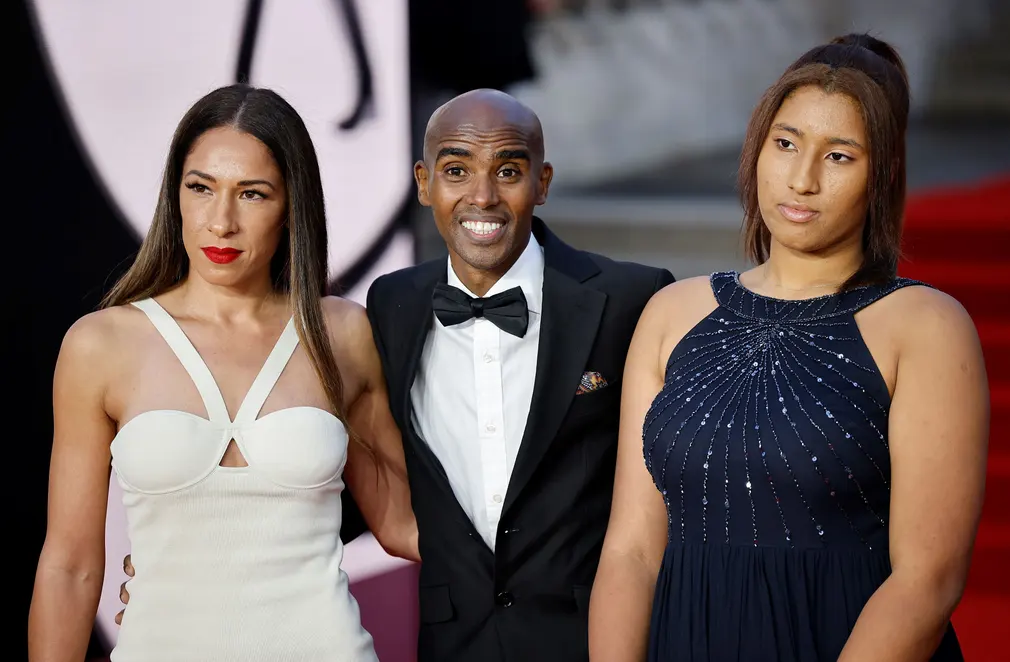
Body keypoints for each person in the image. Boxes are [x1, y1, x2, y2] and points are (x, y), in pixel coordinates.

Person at [589, 34, 989, 662]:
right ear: (756, 149)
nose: (802, 180)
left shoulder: (925, 326)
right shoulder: (672, 312)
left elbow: (927, 581)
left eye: (839, 156)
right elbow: (631, 552)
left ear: (881, 176)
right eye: (786, 144)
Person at [28, 84, 418, 661]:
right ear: (175, 194)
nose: (221, 222)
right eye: (201, 188)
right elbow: (69, 567)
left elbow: (404, 525)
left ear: (291, 208)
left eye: (252, 194)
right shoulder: (102, 344)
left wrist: (548, 525)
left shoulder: (341, 333)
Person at [364, 88, 675, 662]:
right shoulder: (391, 304)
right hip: (452, 644)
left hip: (590, 640)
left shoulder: (631, 299)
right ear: (424, 182)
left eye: (507, 171)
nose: (482, 196)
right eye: (456, 170)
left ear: (542, 182)